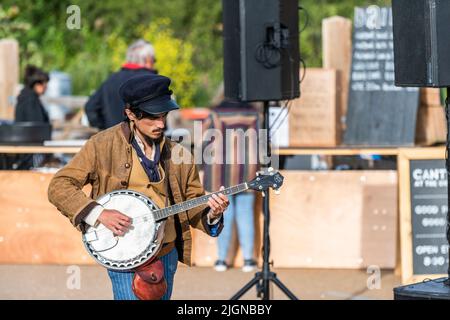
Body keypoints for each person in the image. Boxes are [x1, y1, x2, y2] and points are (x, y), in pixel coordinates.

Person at [48, 74, 230, 300]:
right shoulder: (102, 145)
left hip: (165, 254)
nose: (161, 124)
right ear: (131, 114)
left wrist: (212, 212)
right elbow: (59, 186)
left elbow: (192, 204)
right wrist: (99, 213)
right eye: (153, 117)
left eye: (163, 115)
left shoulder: (180, 154)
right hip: (124, 255)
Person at [202, 97, 261, 273]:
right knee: (246, 214)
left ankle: (222, 259)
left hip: (219, 172)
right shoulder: (254, 114)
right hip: (247, 172)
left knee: (222, 214)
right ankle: (249, 260)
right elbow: (262, 142)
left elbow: (204, 143)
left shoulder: (214, 114)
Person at [84, 39, 157, 130]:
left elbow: (91, 107)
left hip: (113, 141)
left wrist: (105, 129)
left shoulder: (111, 79)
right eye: (154, 60)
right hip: (143, 141)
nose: (154, 63)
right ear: (148, 59)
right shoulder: (151, 80)